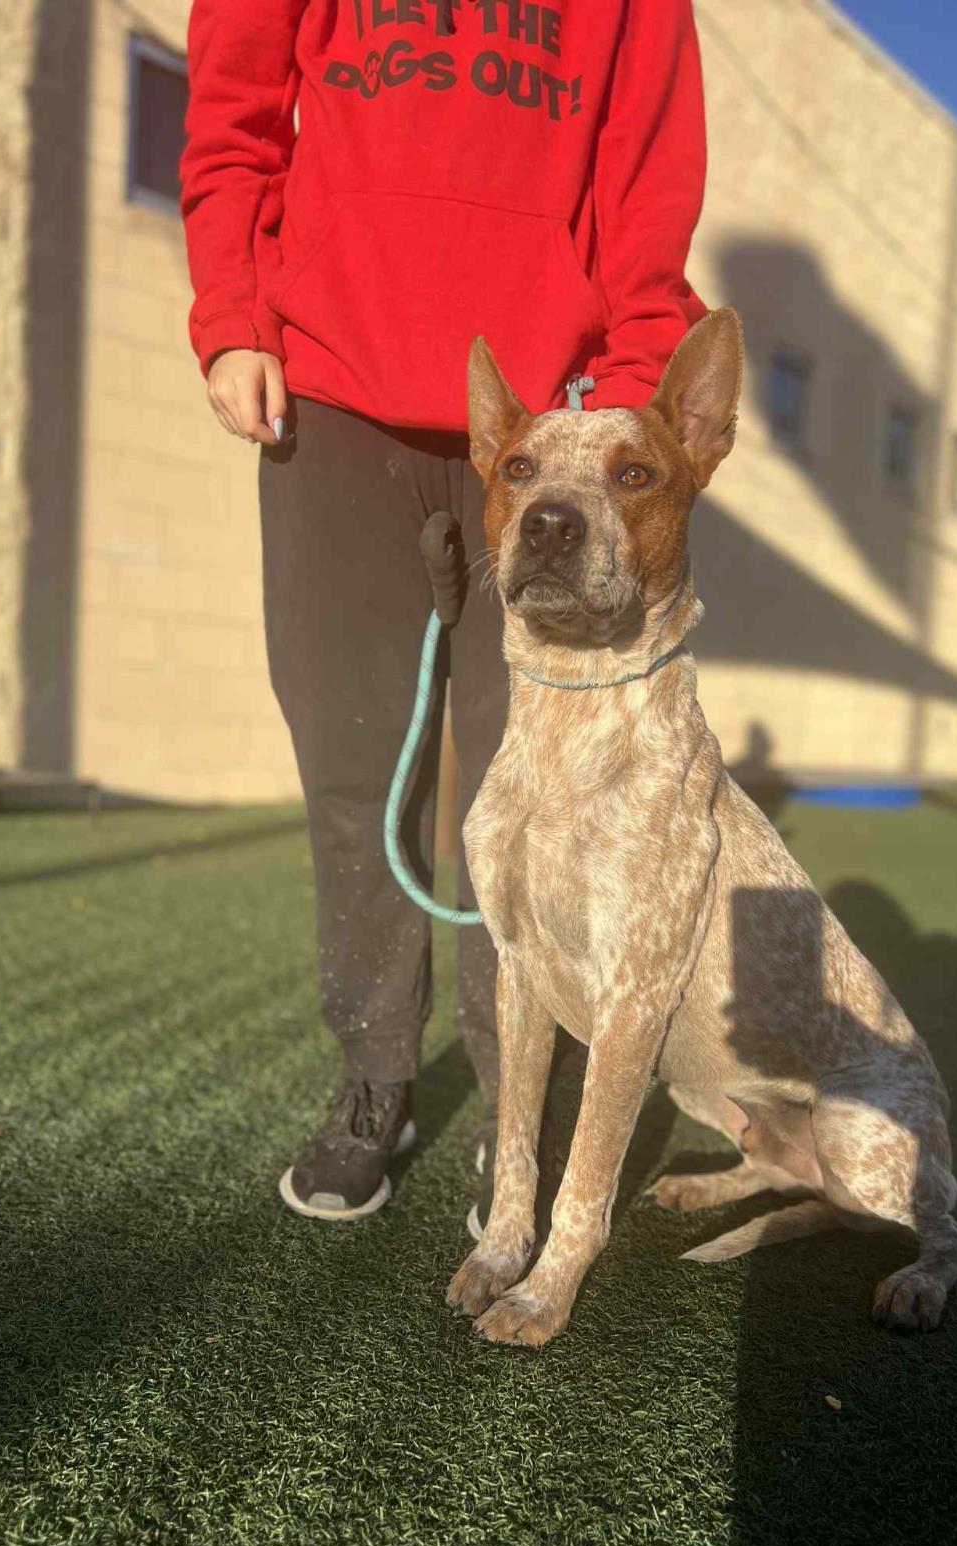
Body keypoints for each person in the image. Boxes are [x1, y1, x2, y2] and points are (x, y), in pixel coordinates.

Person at [179, 0, 708, 1233]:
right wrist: (233, 316)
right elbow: (233, 128)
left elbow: (647, 207)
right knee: (353, 758)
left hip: (546, 423)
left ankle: (519, 1115)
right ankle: (375, 1077)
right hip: (332, 401)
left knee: (535, 785)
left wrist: (613, 427)